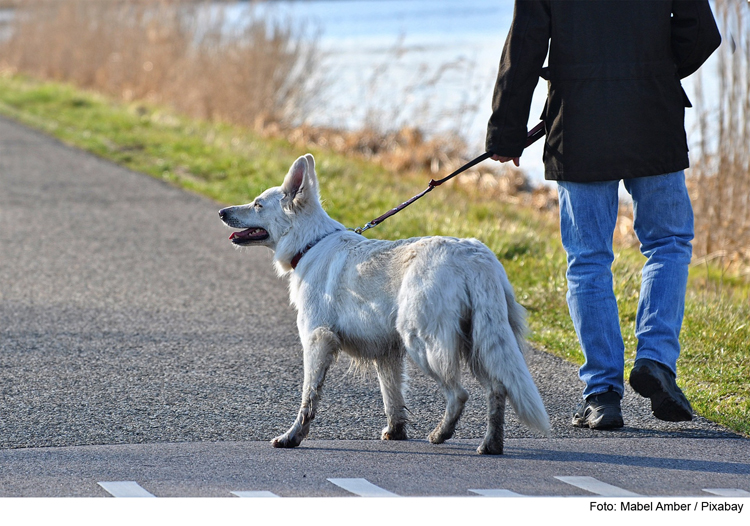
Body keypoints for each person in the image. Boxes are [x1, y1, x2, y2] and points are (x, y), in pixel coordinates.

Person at [486, 0, 721, 429]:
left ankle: (602, 395)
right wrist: (655, 71)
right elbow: (702, 34)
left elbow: (525, 46)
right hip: (654, 116)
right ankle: (655, 360)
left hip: (579, 124)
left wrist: (506, 130)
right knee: (668, 244)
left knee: (589, 258)